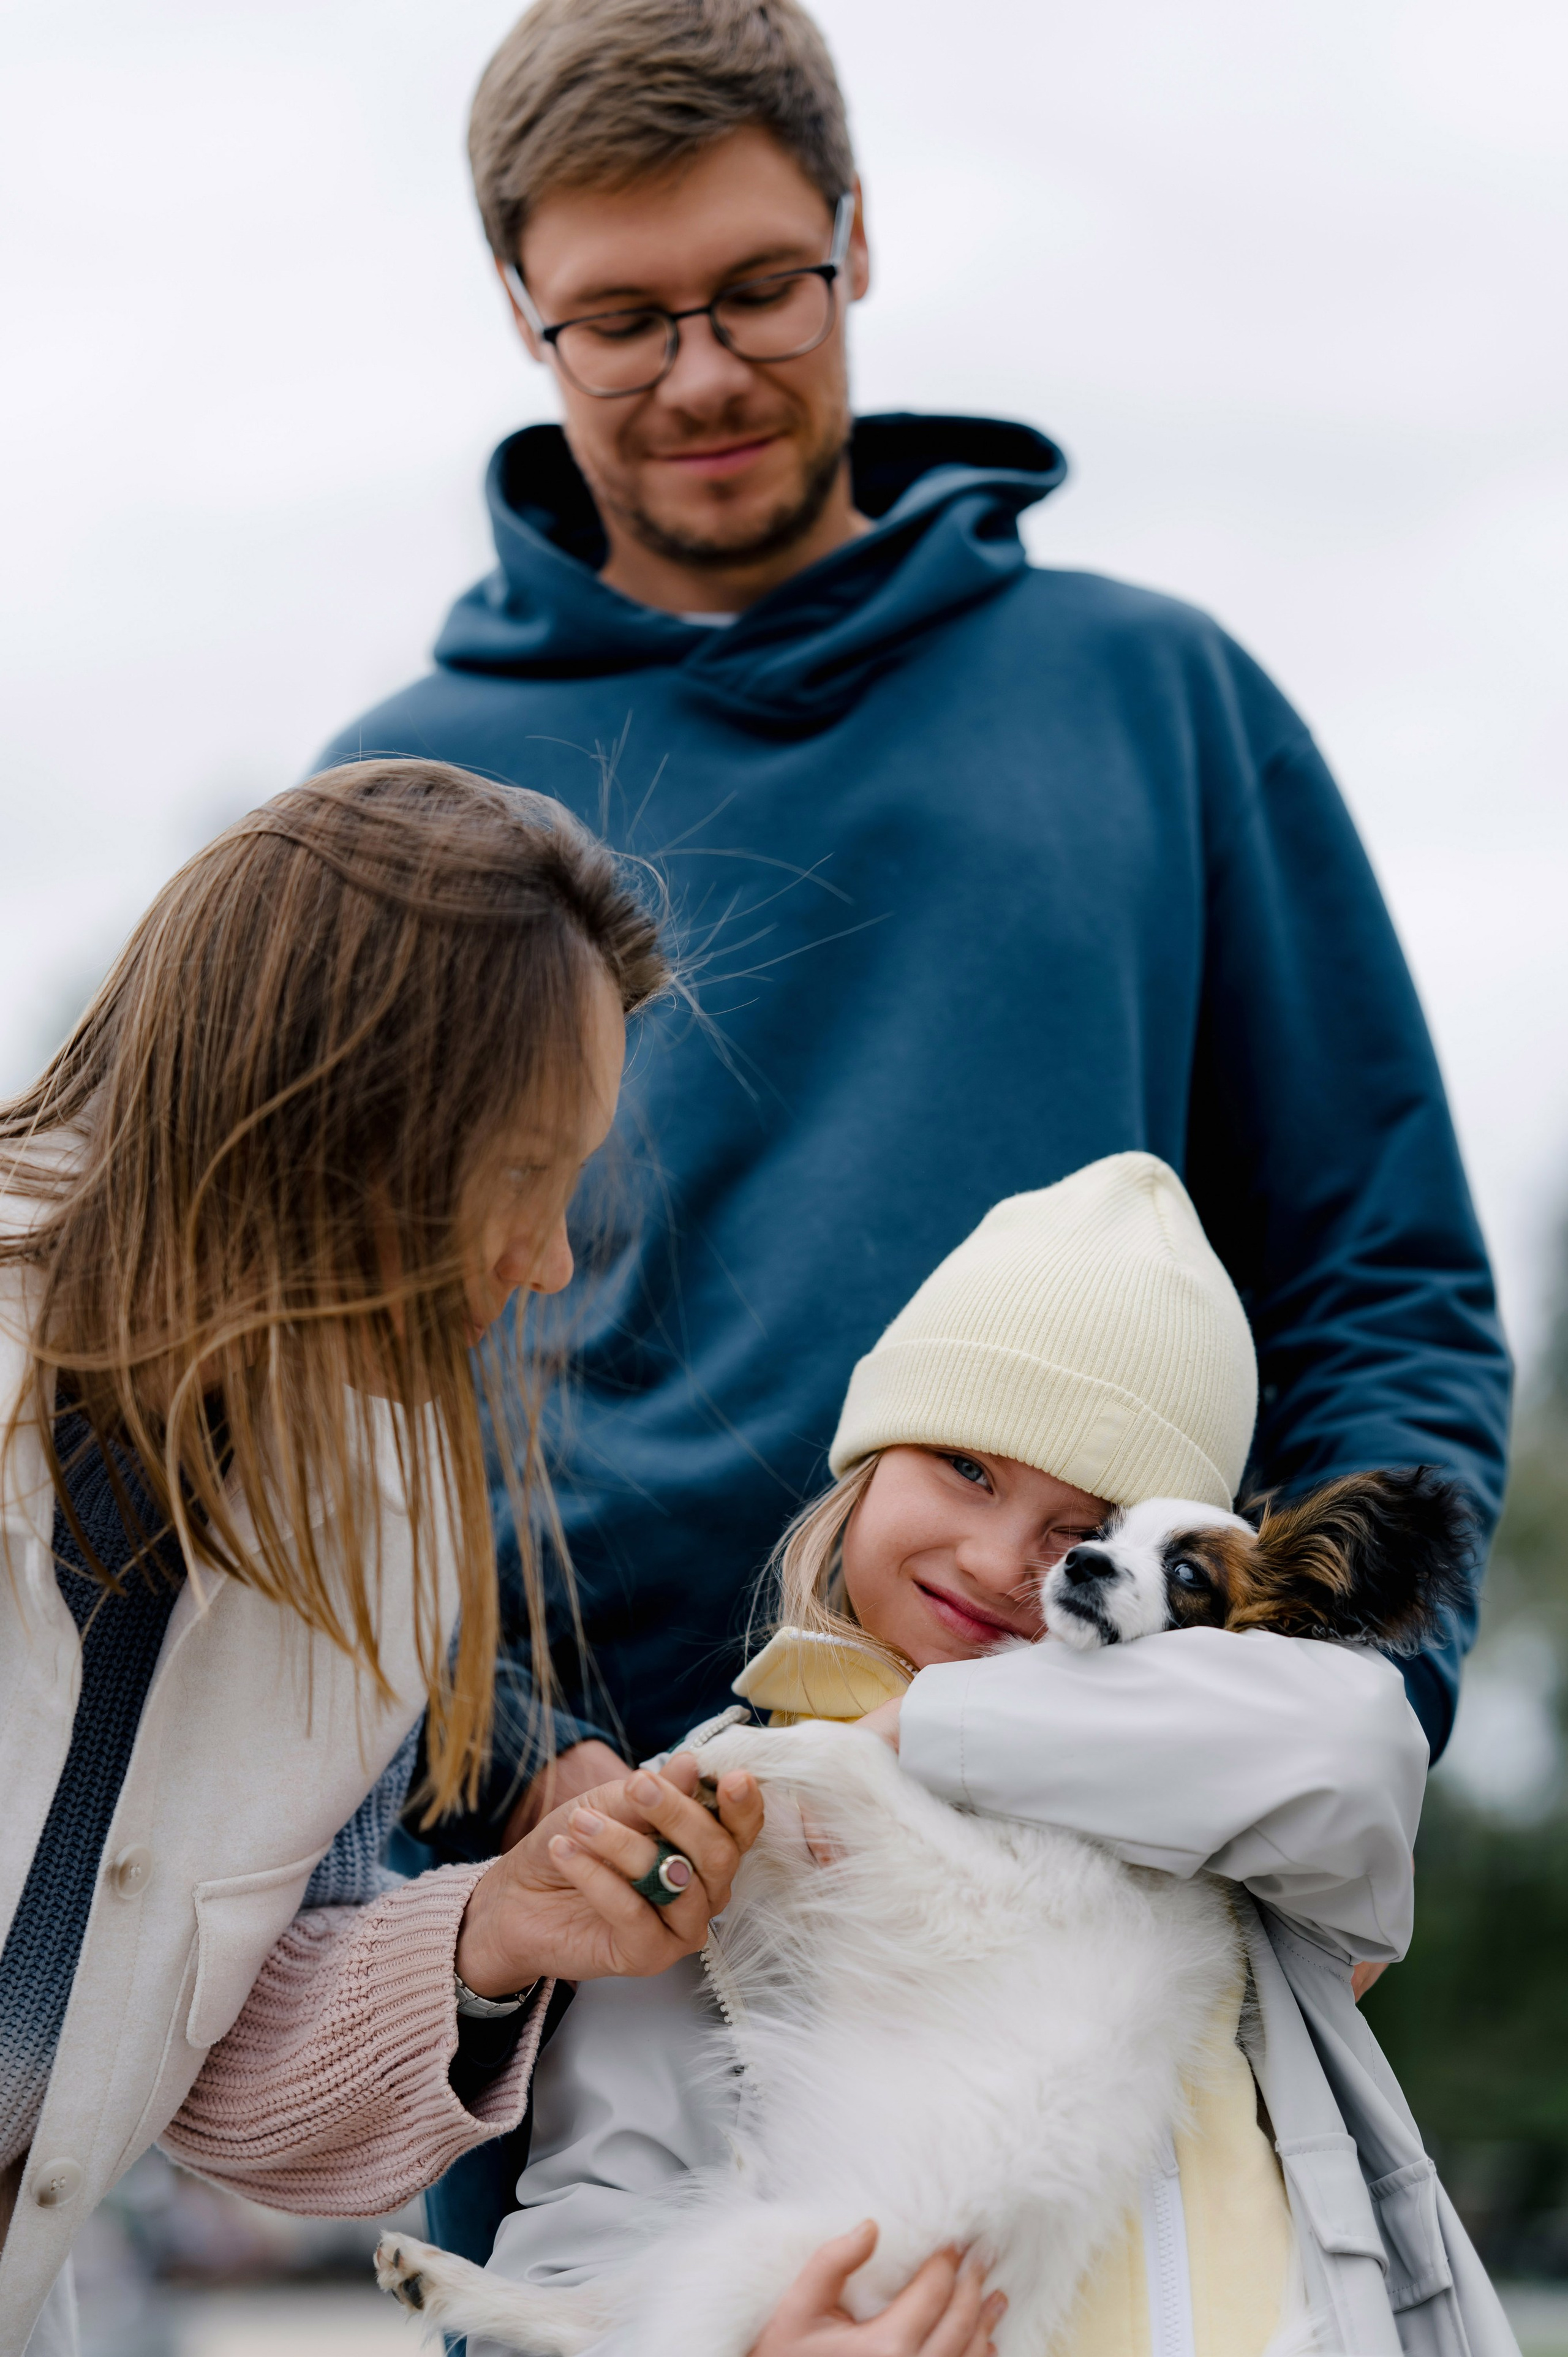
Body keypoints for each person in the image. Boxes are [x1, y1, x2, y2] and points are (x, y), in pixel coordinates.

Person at [317, 0, 1509, 1873]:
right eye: (623, 321)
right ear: (516, 304)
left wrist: (1347, 1705)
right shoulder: (396, 803)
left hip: (1124, 1850)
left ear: (856, 235)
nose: (701, 374)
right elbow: (296, 1399)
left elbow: (1384, 1282)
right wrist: (505, 1772)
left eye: (763, 288)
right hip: (595, 1880)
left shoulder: (1153, 700)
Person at [466, 1156, 1518, 2357]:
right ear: (868, 1462)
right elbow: (584, 2233)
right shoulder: (725, 1811)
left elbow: (1352, 1738)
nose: (997, 1557)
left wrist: (919, 1737)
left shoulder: (1241, 1816)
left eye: (1086, 1532)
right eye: (964, 1468)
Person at [0, 758, 766, 2357]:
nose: (553, 1258)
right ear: (342, 1109)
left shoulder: (386, 1528)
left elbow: (218, 2080)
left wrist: (502, 1933)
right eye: (520, 1175)